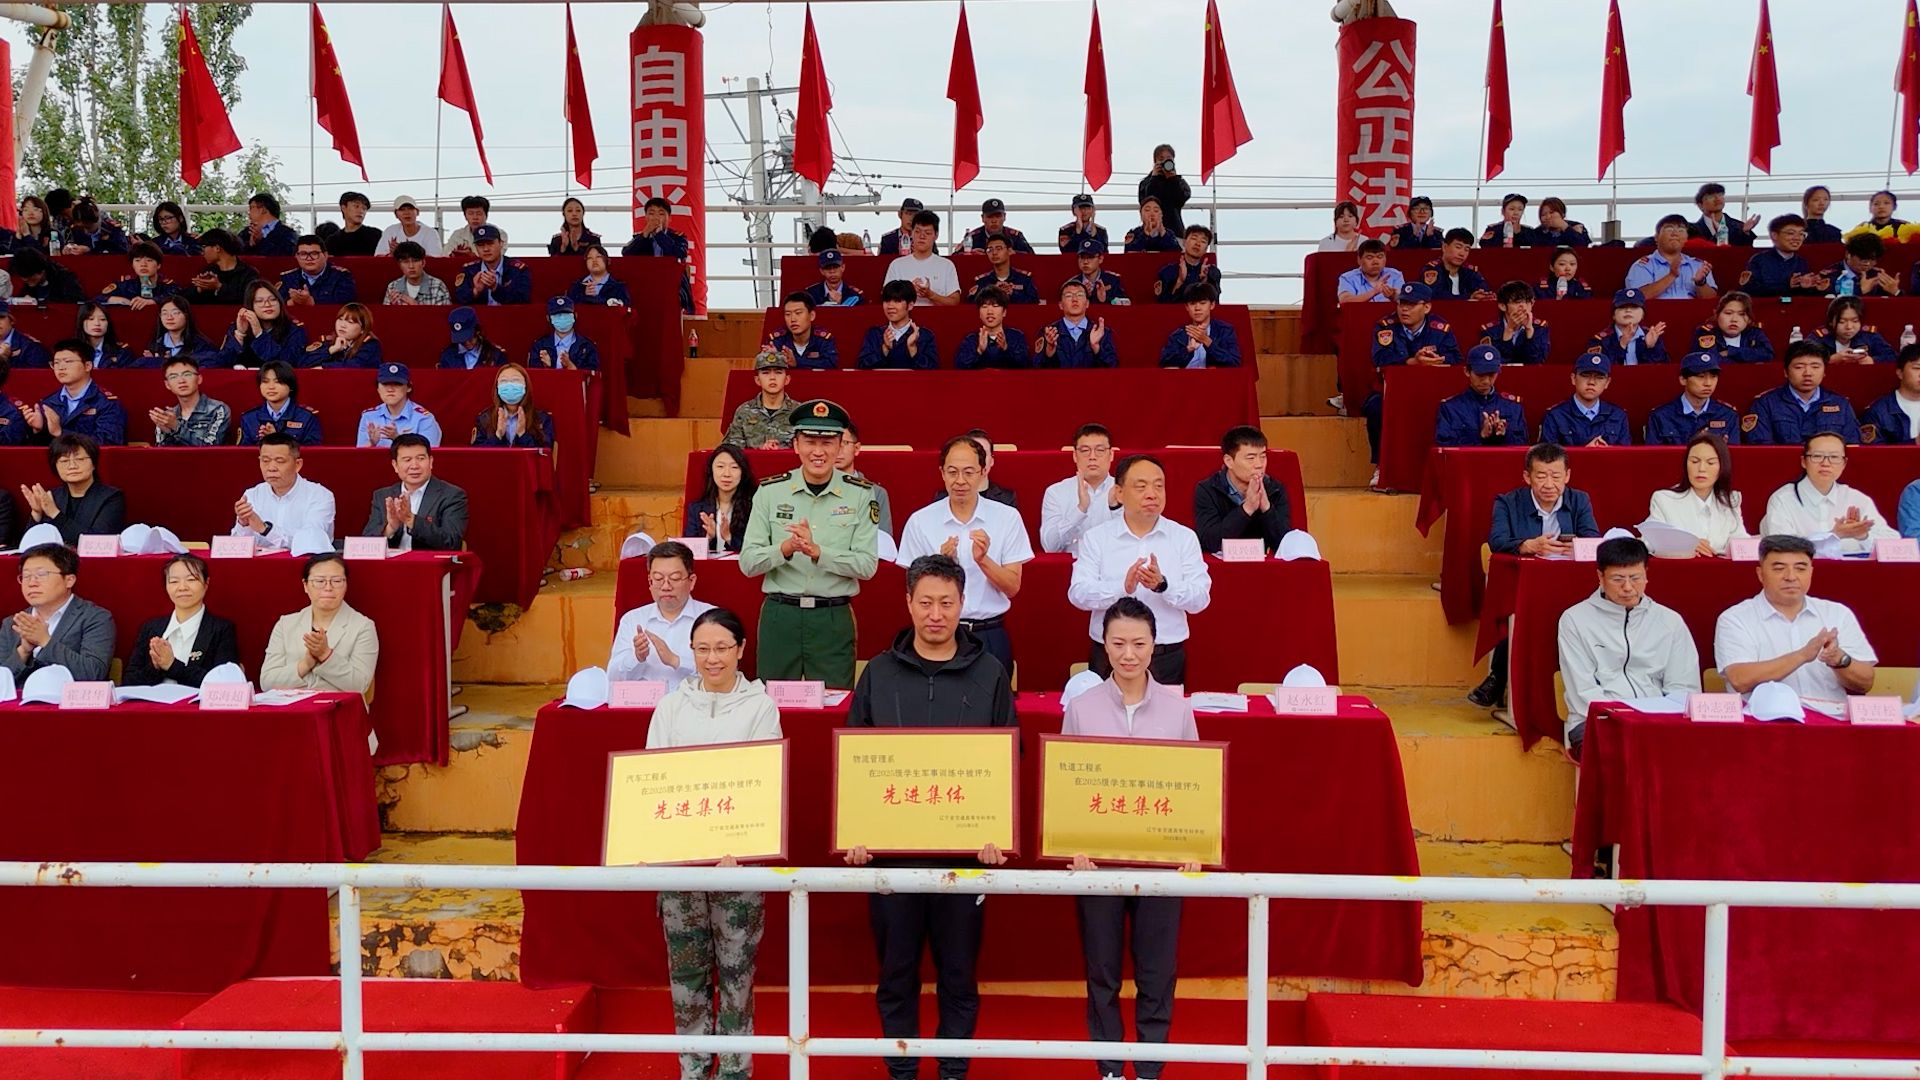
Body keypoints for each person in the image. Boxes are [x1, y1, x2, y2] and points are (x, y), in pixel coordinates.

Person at [844, 556, 1015, 1080]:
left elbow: (1009, 758)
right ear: (908, 603)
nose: (935, 614)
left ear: (962, 604)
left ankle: (952, 1070)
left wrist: (996, 834)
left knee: (958, 974)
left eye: (946, 603)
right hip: (892, 860)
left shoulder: (989, 673)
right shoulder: (879, 673)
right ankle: (902, 1069)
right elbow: (855, 761)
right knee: (896, 973)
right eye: (925, 602)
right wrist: (856, 834)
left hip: (963, 861)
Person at [1061, 595, 1198, 1080]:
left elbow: (1193, 785)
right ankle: (1108, 1066)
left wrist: (1193, 848)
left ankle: (1150, 1067)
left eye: (1139, 644)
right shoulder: (1081, 708)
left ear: (1155, 645)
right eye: (1118, 643)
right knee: (1101, 971)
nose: (1128, 654)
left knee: (1157, 972)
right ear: (1104, 644)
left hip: (1160, 863)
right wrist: (1072, 845)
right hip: (1098, 863)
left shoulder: (1178, 709)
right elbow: (1068, 789)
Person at [644, 605, 779, 1080]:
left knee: (737, 971)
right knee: (686, 972)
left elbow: (762, 782)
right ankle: (694, 1066)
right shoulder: (671, 708)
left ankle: (736, 1068)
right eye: (702, 649)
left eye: (722, 648)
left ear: (741, 650)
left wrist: (739, 846)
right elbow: (653, 781)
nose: (712, 658)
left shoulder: (761, 707)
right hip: (681, 864)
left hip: (736, 865)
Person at [740, 399, 879, 689]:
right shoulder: (770, 491)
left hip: (831, 617)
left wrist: (819, 553)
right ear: (795, 445)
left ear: (840, 446)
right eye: (810, 442)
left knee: (834, 701)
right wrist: (786, 549)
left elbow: (867, 566)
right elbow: (749, 563)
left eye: (827, 442)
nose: (818, 451)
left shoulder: (860, 494)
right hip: (781, 615)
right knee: (773, 703)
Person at [1472, 443, 1600, 712]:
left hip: (1568, 581)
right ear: (1527, 477)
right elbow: (1497, 541)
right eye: (1541, 476)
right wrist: (1526, 545)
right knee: (1518, 607)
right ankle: (1499, 677)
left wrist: (1576, 547)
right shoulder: (1507, 502)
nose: (1549, 484)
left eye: (1556, 476)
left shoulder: (1580, 500)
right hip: (1524, 581)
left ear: (1567, 476)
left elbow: (1592, 538)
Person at [895, 436, 1034, 674]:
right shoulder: (920, 520)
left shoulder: (1007, 518)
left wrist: (983, 560)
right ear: (942, 473)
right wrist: (941, 565)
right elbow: (912, 590)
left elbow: (1012, 587)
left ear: (983, 472)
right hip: (937, 633)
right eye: (952, 472)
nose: (960, 480)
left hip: (988, 632)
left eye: (969, 472)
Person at [1068, 454, 1211, 685]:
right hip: (1110, 655)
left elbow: (1200, 599)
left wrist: (1164, 586)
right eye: (1141, 486)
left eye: (1158, 486)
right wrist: (1122, 588)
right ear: (1119, 493)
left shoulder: (1184, 538)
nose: (1152, 494)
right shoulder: (1097, 538)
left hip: (1164, 655)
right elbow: (1078, 594)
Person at [1556, 537, 1701, 754]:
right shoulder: (1575, 619)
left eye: (1635, 578)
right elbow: (1583, 690)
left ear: (1646, 575)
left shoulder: (1669, 621)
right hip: (1598, 720)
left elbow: (1684, 687)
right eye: (1618, 579)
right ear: (1600, 577)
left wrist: (1658, 720)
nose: (1628, 588)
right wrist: (1627, 719)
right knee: (1621, 753)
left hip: (1659, 720)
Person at [1714, 535, 1877, 702]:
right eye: (1779, 568)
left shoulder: (1837, 613)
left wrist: (1840, 659)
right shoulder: (1735, 618)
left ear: (1811, 572)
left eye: (1800, 568)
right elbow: (1739, 680)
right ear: (1760, 574)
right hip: (1766, 716)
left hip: (1831, 714)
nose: (1791, 577)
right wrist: (1803, 655)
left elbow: (1866, 683)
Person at [1362, 282, 1460, 471]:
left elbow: (1456, 358)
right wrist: (1412, 362)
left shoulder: (1441, 329)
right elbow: (1380, 359)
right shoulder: (1385, 326)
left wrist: (1438, 360)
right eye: (1401, 303)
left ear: (1427, 307)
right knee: (1375, 408)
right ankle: (1381, 465)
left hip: (1429, 390)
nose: (1404, 309)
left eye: (1411, 304)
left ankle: (1445, 463)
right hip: (1392, 392)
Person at [1757, 432, 1899, 555]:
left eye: (1834, 457)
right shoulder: (1783, 499)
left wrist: (1863, 536)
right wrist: (1834, 535)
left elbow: (1894, 545)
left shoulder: (1857, 499)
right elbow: (1782, 549)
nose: (1826, 463)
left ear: (1844, 464)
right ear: (1804, 462)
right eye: (1817, 456)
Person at [261, 554, 380, 700]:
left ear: (346, 585)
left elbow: (361, 685)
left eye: (336, 581)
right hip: (291, 708)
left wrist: (326, 655)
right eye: (319, 581)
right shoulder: (286, 624)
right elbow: (267, 682)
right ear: (305, 585)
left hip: (339, 708)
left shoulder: (362, 627)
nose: (328, 588)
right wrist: (305, 665)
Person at [122, 554, 242, 687]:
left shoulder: (222, 630)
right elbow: (129, 682)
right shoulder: (151, 628)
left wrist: (172, 665)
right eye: (174, 581)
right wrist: (155, 667)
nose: (182, 587)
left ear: (206, 583)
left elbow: (222, 684)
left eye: (191, 579)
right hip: (153, 700)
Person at [0, 543, 114, 682]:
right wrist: (23, 651)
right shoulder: (12, 624)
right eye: (26, 576)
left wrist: (45, 641)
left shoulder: (95, 618)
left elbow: (93, 673)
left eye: (41, 574)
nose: (32, 583)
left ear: (69, 580)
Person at [606, 539, 715, 684]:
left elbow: (724, 674)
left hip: (693, 697)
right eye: (658, 578)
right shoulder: (632, 619)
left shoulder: (712, 618)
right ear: (650, 582)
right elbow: (612, 678)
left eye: (675, 578)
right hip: (644, 698)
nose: (666, 586)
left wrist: (675, 661)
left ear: (692, 581)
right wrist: (636, 657)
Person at [357, 433, 468, 553]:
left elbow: (452, 542)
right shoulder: (383, 496)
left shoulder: (451, 495)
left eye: (421, 458)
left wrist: (411, 520)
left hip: (428, 563)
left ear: (431, 462)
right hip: (390, 563)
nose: (414, 466)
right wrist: (390, 528)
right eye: (407, 460)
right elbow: (366, 543)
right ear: (395, 465)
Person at [1192, 425, 1291, 555]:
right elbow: (1209, 541)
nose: (1259, 465)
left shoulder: (1275, 489)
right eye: (1251, 458)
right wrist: (1247, 509)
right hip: (1220, 564)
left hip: (1262, 564)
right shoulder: (1207, 489)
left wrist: (1266, 508)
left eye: (1263, 457)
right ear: (1229, 461)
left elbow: (1284, 544)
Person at [1647, 432, 1749, 557]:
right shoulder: (1664, 499)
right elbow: (1649, 541)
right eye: (1695, 461)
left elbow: (1741, 542)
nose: (1701, 469)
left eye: (1710, 463)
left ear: (1722, 467)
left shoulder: (1731, 500)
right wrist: (1685, 544)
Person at [1743, 341, 1863, 445]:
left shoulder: (1841, 404)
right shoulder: (1765, 404)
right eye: (1799, 367)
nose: (1808, 373)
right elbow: (1761, 449)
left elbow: (1852, 447)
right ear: (1786, 372)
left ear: (1824, 372)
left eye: (1815, 367)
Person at [232, 433, 336, 549]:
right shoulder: (252, 495)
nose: (271, 468)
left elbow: (311, 542)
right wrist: (243, 524)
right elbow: (238, 547)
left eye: (280, 461)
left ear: (297, 465)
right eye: (265, 460)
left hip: (305, 560)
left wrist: (265, 529)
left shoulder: (320, 496)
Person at [19, 432, 125, 544]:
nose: (72, 466)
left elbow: (99, 542)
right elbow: (32, 545)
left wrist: (55, 514)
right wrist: (37, 514)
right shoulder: (52, 497)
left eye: (79, 459)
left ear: (94, 463)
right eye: (64, 461)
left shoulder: (111, 497)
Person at [27, 340, 127, 446]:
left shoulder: (107, 403)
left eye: (68, 361)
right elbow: (40, 449)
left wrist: (61, 433)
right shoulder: (48, 403)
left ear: (88, 366)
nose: (61, 367)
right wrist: (38, 430)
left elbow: (108, 443)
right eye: (56, 363)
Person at [1041, 423, 1120, 554]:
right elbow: (1050, 546)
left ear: (1111, 455)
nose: (1092, 457)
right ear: (1075, 456)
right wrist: (1080, 509)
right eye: (1085, 450)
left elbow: (1135, 537)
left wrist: (1116, 508)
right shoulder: (1056, 492)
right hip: (1072, 565)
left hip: (1115, 563)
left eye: (1100, 450)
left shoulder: (1124, 490)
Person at [1435, 345, 1528, 448]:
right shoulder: (1450, 408)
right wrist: (1479, 437)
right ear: (1467, 371)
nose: (1486, 381)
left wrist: (1504, 435)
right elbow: (1444, 447)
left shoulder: (1514, 407)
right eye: (1480, 375)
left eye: (1491, 375)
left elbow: (1524, 447)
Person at [1645, 351, 1742, 446]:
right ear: (1683, 379)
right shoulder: (1661, 416)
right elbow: (1654, 455)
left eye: (1713, 377)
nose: (1708, 383)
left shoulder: (1727, 415)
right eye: (1701, 377)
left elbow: (1733, 454)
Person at [1539, 353, 1632, 447]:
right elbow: (1547, 455)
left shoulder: (1618, 415)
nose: (1591, 382)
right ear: (1573, 378)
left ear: (1607, 382)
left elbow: (1626, 454)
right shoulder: (1555, 415)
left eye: (1599, 377)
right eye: (1585, 375)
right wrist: (1585, 452)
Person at [623, 197, 695, 312]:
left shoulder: (678, 237)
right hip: (645, 284)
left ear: (669, 218)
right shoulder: (640, 237)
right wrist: (645, 234)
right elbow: (626, 254)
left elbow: (678, 254)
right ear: (646, 217)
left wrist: (659, 234)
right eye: (651, 213)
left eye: (661, 214)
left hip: (671, 285)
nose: (656, 218)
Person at [1624, 215, 1718, 300]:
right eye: (1669, 229)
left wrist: (1701, 283)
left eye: (1681, 230)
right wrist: (1671, 276)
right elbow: (1636, 297)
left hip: (1692, 313)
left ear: (1686, 238)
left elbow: (1711, 301)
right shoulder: (1643, 265)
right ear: (1656, 237)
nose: (1675, 234)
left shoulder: (1699, 265)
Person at [220, 280, 310, 368]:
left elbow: (286, 364)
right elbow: (221, 364)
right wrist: (240, 335)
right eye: (259, 301)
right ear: (250, 306)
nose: (267, 304)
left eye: (273, 299)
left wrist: (259, 334)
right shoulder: (236, 328)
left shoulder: (294, 330)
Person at [686, 445, 757, 555]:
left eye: (734, 467)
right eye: (720, 466)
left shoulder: (755, 508)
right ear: (711, 470)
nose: (726, 474)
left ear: (743, 472)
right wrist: (708, 538)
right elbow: (688, 553)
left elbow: (757, 551)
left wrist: (729, 537)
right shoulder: (697, 509)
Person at [883, 210, 962, 306]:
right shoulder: (897, 265)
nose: (922, 236)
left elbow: (954, 301)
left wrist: (931, 295)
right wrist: (909, 290)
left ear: (936, 235)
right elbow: (886, 297)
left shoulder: (946, 265)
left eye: (927, 233)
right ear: (912, 233)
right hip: (905, 315)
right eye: (917, 232)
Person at [237, 361, 324, 445]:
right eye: (265, 381)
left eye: (278, 381)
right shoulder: (249, 418)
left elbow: (312, 453)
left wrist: (277, 439)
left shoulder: (307, 417)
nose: (271, 387)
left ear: (291, 386)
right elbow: (244, 453)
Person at [857, 281, 940, 369]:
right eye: (887, 301)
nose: (890, 306)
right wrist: (884, 349)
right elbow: (862, 367)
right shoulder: (875, 334)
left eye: (897, 301)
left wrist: (913, 349)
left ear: (910, 305)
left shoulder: (924, 336)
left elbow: (933, 371)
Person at [356, 363, 442, 448]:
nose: (390, 389)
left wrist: (398, 439)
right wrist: (372, 444)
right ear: (378, 388)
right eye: (385, 384)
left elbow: (427, 454)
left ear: (409, 387)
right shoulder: (369, 416)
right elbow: (359, 455)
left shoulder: (424, 418)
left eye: (397, 384)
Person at [152, 356, 232, 446]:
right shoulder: (167, 417)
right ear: (167, 385)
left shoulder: (217, 409)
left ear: (199, 379)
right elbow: (161, 452)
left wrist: (176, 427)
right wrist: (168, 433)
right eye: (173, 376)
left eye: (187, 374)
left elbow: (212, 448)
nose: (181, 380)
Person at [724, 351, 798, 449]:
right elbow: (731, 449)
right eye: (766, 373)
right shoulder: (744, 411)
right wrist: (759, 452)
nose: (772, 378)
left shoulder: (798, 412)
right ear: (757, 380)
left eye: (778, 372)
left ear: (787, 379)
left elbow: (806, 446)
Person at [471, 364, 555, 448]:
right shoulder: (485, 418)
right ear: (497, 387)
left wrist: (522, 435)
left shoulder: (542, 418)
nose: (510, 385)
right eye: (504, 381)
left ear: (525, 386)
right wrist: (498, 436)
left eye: (516, 380)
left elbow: (545, 452)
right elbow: (478, 453)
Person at [1742, 215, 1826, 297]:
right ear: (1774, 235)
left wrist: (1811, 287)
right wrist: (1786, 285)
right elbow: (1751, 290)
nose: (1797, 238)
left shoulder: (1802, 263)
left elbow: (1804, 296)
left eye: (1801, 234)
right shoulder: (1759, 260)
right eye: (1791, 233)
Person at [1038, 281, 1117, 368]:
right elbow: (1036, 368)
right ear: (1060, 305)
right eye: (1068, 296)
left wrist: (1096, 348)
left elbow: (1112, 366)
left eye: (1080, 295)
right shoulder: (1049, 333)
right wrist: (1049, 351)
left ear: (1087, 303)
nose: (1075, 299)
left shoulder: (1102, 332)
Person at [1159, 284, 1240, 368]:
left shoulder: (1225, 330)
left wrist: (1208, 343)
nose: (1197, 308)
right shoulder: (1178, 334)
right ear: (1187, 307)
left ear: (1212, 305)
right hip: (1185, 376)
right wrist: (1187, 349)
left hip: (1213, 376)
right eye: (1192, 303)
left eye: (1202, 303)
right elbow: (1164, 363)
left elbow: (1234, 362)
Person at [836, 421, 894, 536]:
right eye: (831, 444)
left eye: (844, 443)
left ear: (856, 448)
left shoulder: (876, 493)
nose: (838, 450)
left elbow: (883, 540)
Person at [453, 224, 532, 306]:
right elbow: (459, 300)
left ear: (501, 244)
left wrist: (495, 288)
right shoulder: (468, 270)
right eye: (480, 245)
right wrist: (476, 291)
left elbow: (523, 300)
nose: (486, 249)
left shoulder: (518, 270)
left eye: (490, 243)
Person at [952, 292, 1030, 370]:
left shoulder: (1016, 337)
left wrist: (1006, 348)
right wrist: (979, 351)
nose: (990, 312)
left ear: (1004, 312)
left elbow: (1025, 365)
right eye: (984, 307)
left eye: (995, 306)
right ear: (979, 314)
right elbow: (959, 367)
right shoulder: (971, 339)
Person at [1860, 343, 1920, 444]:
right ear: (1900, 373)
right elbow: (1873, 451)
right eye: (1917, 368)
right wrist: (1915, 443)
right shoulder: (1879, 411)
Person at [1478, 280, 1549, 365]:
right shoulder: (1489, 330)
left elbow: (1536, 362)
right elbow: (1495, 362)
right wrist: (1509, 330)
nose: (1523, 307)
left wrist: (1529, 331)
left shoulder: (1540, 327)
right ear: (1502, 306)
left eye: (1527, 302)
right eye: (1517, 302)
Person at [1692, 291, 1774, 365]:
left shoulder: (1754, 333)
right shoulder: (1706, 332)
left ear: (1749, 319)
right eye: (1728, 313)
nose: (1734, 319)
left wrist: (1731, 351)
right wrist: (1749, 362)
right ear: (1717, 315)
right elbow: (1707, 359)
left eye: (1741, 314)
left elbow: (1767, 355)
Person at [1808, 296, 1896, 363]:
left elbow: (1893, 356)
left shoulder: (1869, 335)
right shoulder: (1819, 336)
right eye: (1842, 322)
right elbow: (1803, 357)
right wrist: (1831, 359)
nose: (1849, 327)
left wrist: (1873, 360)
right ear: (1831, 322)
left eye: (1855, 321)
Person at [140, 295, 220, 369]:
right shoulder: (155, 343)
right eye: (164, 313)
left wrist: (166, 362)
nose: (169, 317)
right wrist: (152, 362)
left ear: (186, 315)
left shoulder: (202, 345)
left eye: (175, 313)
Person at [279, 235, 357, 305]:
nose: (309, 258)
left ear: (325, 255)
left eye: (314, 253)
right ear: (296, 256)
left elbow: (347, 301)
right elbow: (277, 301)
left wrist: (312, 301)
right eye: (303, 254)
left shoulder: (341, 276)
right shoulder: (288, 278)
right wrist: (291, 302)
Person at [768, 292, 839, 369]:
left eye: (798, 313)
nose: (793, 319)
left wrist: (797, 362)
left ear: (812, 316)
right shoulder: (777, 340)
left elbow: (831, 364)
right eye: (788, 314)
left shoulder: (823, 340)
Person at [527, 296, 600, 371]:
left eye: (566, 315)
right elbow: (532, 374)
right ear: (548, 318)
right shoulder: (540, 346)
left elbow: (592, 375)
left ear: (575, 316)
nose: (562, 319)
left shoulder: (587, 346)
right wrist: (547, 368)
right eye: (557, 316)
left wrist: (572, 367)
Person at [301, 303, 383, 369]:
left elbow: (356, 365)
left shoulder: (371, 345)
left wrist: (324, 367)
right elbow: (303, 363)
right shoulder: (329, 341)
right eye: (340, 319)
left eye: (350, 322)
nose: (342, 325)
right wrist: (332, 350)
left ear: (363, 329)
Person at [98, 242, 178, 309]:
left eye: (149, 260)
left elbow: (178, 296)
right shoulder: (125, 284)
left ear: (158, 265)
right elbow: (99, 298)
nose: (143, 264)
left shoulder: (167, 284)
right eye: (137, 260)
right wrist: (122, 300)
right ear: (132, 265)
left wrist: (153, 301)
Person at [1420, 229, 1493, 300]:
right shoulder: (1432, 269)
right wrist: (1468, 297)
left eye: (1466, 249)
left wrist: (1484, 295)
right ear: (1444, 247)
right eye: (1458, 247)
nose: (1462, 253)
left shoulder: (1470, 271)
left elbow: (1483, 289)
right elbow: (1435, 296)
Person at [1155, 225, 1221, 302]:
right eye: (1194, 238)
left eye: (1203, 241)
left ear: (1206, 249)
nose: (1198, 244)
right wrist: (1179, 281)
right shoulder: (1168, 271)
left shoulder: (1212, 273)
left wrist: (1204, 281)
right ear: (1184, 242)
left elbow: (1215, 303)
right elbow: (1162, 304)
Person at [970, 234, 1041, 305]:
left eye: (999, 248)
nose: (994, 253)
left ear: (1009, 251)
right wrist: (992, 292)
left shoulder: (1024, 279)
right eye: (990, 250)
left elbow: (1035, 303)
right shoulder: (982, 282)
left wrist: (1012, 293)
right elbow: (971, 305)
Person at [1138, 145, 1192, 234]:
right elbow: (1146, 201)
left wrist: (1172, 180)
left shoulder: (1179, 182)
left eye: (1168, 159)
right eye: (1161, 159)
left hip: (1175, 230)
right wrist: (1154, 178)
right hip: (1151, 230)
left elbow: (1181, 199)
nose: (1165, 162)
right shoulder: (1146, 183)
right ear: (1155, 162)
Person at [1826, 234, 1899, 298]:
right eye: (1863, 259)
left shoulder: (1876, 275)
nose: (1867, 264)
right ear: (1848, 254)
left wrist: (1896, 292)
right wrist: (1859, 290)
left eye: (1872, 259)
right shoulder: (1830, 275)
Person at [382, 241, 453, 306]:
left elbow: (444, 315)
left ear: (423, 263)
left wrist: (416, 306)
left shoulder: (438, 286)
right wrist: (392, 308)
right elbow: (385, 315)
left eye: (415, 261)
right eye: (406, 262)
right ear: (399, 265)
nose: (411, 266)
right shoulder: (393, 287)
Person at [437, 306, 508, 370]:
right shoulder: (447, 356)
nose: (467, 343)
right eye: (461, 340)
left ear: (477, 332)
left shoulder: (495, 355)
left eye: (470, 338)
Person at [1689, 182, 1759, 246]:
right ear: (1700, 205)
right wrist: (1720, 235)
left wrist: (1745, 233)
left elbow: (1746, 251)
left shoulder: (1739, 226)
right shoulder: (1692, 230)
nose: (1717, 199)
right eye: (1711, 197)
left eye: (1720, 195)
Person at [8, 248, 87, 304]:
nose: (26, 280)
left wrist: (39, 303)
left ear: (42, 271)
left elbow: (75, 301)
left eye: (30, 277)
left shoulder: (65, 278)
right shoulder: (28, 285)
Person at [1335, 239, 1403, 303]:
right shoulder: (1348, 278)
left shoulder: (1395, 275)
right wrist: (1374, 291)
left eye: (1380, 257)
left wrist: (1393, 296)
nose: (1375, 262)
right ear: (1359, 260)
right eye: (1369, 257)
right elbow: (1345, 300)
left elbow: (1404, 300)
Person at [959, 197, 1033, 254]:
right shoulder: (972, 237)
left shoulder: (1015, 236)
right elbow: (955, 258)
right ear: (983, 218)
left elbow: (1032, 257)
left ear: (1004, 217)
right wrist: (970, 254)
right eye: (990, 217)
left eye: (998, 216)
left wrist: (1014, 254)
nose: (994, 221)